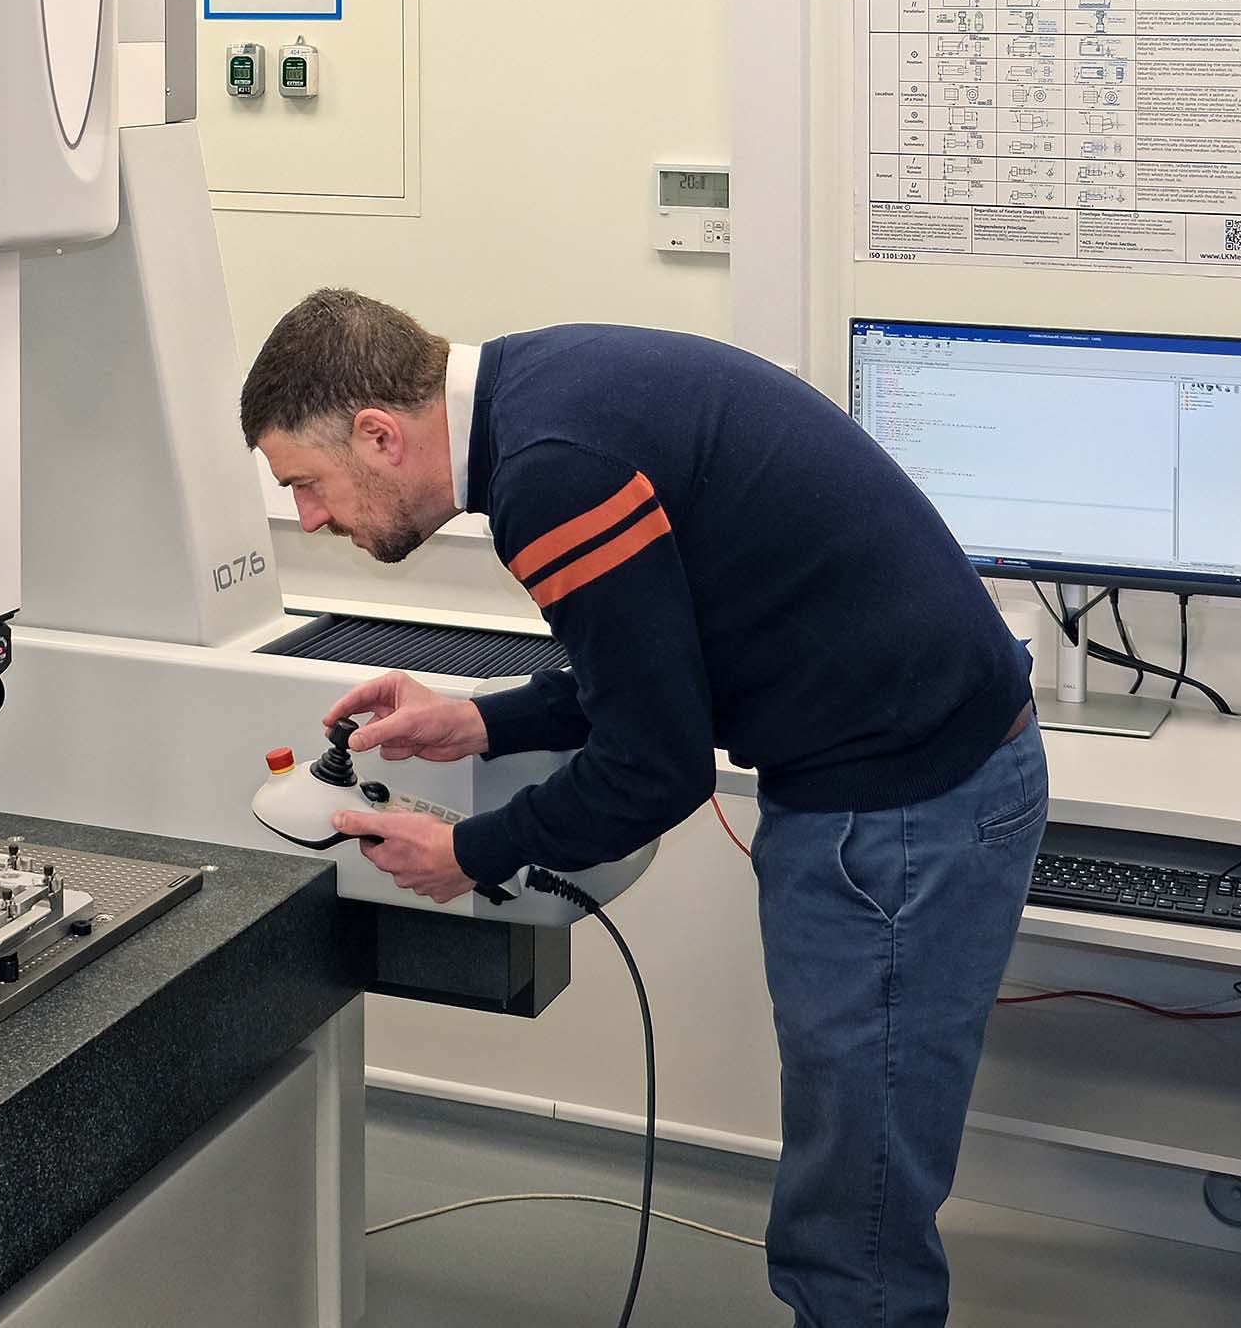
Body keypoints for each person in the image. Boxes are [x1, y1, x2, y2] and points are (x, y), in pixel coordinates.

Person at [240, 289, 1040, 1328]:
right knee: (854, 1195)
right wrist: (482, 724)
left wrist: (468, 851)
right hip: (921, 775)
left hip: (896, 815)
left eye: (306, 484)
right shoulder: (543, 393)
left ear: (380, 435)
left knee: (855, 1228)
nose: (307, 517)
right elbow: (658, 666)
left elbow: (657, 767)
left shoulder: (550, 474)